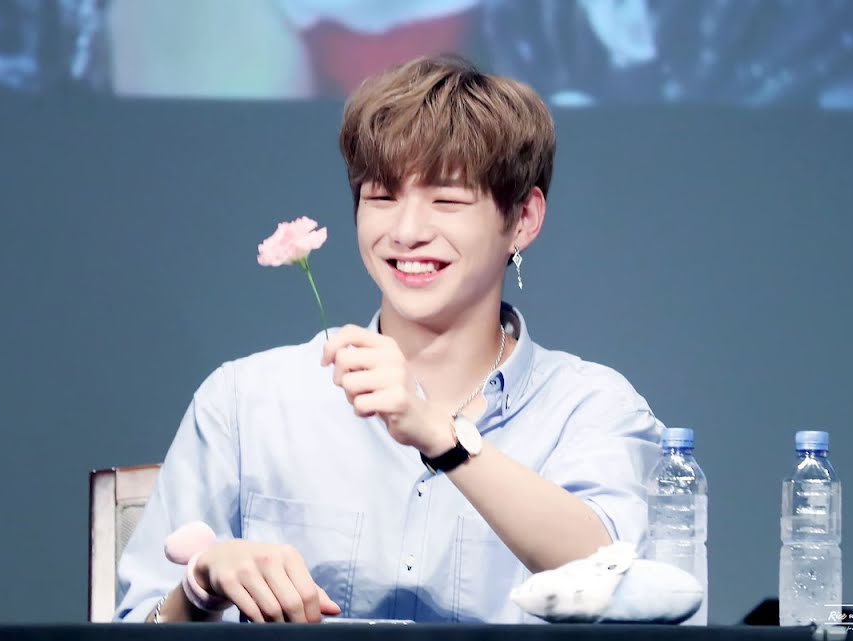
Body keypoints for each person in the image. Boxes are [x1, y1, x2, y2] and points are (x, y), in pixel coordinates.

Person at [116, 53, 663, 624]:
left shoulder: (591, 410)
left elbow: (624, 589)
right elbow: (133, 629)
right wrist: (198, 591)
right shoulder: (245, 403)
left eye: (447, 200)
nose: (406, 232)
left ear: (523, 219)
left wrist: (443, 437)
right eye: (382, 197)